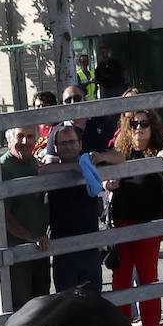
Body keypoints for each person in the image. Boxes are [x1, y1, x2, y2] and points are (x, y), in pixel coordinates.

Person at [104, 106, 163, 326]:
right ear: (127, 128)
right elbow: (104, 181)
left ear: (152, 128)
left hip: (148, 223)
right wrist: (108, 184)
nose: (139, 128)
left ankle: (151, 325)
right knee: (120, 277)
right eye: (134, 124)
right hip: (121, 221)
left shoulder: (159, 152)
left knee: (148, 275)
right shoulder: (119, 152)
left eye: (144, 124)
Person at [41, 124, 105, 292]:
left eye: (71, 142)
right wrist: (71, 167)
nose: (68, 146)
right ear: (55, 148)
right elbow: (42, 171)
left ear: (80, 144)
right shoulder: (52, 171)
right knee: (66, 306)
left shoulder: (90, 167)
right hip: (63, 250)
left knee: (92, 304)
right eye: (63, 143)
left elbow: (118, 158)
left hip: (90, 248)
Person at [0, 124, 52, 310]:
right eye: (20, 136)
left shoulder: (33, 162)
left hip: (40, 246)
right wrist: (32, 237)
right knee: (22, 309)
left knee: (42, 305)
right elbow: (3, 216)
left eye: (30, 136)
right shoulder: (4, 168)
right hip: (16, 250)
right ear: (10, 139)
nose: (25, 141)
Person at [40, 84, 120, 161]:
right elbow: (50, 166)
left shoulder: (102, 121)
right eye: (68, 100)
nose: (73, 103)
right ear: (63, 104)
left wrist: (101, 157)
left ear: (85, 100)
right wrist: (78, 167)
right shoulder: (58, 131)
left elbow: (120, 156)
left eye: (76, 98)